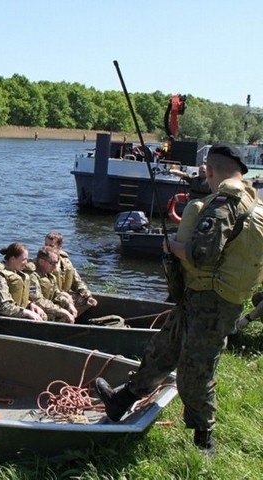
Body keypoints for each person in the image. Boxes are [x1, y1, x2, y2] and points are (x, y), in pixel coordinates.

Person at [95, 144, 263, 455]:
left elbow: (200, 254)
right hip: (208, 298)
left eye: (205, 173)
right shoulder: (256, 206)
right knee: (163, 349)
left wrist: (171, 246)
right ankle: (123, 399)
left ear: (210, 171)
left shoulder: (225, 202)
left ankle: (204, 442)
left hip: (212, 303)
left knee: (195, 374)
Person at [0, 242, 46, 321]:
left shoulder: (15, 273)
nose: (26, 263)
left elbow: (13, 297)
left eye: (27, 259)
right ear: (12, 259)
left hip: (7, 316)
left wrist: (30, 304)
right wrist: (26, 312)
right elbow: (4, 306)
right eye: (24, 259)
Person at [44, 231, 97, 315]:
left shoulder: (66, 262)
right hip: (51, 297)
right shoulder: (42, 262)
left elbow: (77, 281)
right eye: (45, 245)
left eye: (51, 246)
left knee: (86, 300)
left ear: (59, 247)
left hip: (63, 295)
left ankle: (70, 320)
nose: (47, 249)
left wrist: (87, 296)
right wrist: (66, 299)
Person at [28, 247, 77, 323]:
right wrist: (62, 311)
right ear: (41, 261)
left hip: (47, 307)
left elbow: (57, 293)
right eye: (52, 263)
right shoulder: (32, 276)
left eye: (56, 263)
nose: (55, 266)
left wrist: (68, 304)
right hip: (34, 309)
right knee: (62, 315)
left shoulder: (50, 276)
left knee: (69, 308)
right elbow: (38, 300)